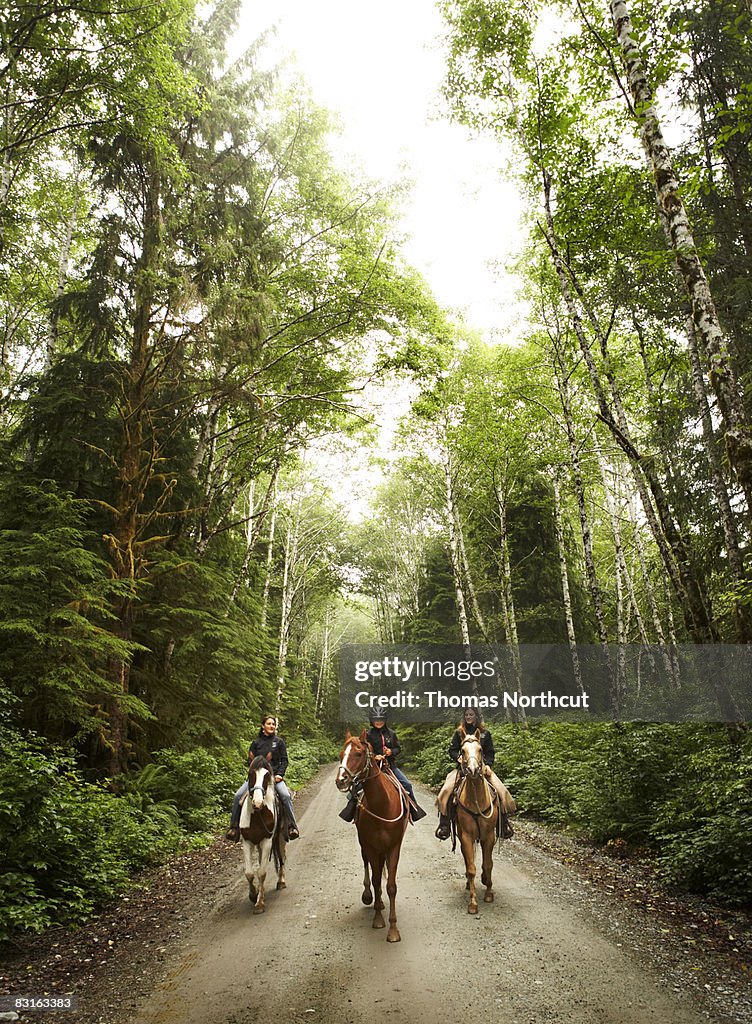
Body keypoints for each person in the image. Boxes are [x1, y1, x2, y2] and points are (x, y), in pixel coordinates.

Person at [435, 707, 515, 840]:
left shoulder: (485, 733)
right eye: (466, 714)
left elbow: (490, 752)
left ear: (476, 716)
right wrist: (457, 757)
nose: (468, 717)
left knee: (501, 791)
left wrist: (488, 764)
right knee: (446, 791)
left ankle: (503, 825)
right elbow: (452, 750)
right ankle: (444, 825)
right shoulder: (459, 732)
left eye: (471, 714)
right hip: (462, 769)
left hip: (482, 769)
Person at [339, 707, 426, 823]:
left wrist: (391, 752)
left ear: (385, 720)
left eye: (381, 719)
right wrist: (374, 756)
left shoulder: (391, 734)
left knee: (407, 785)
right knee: (357, 787)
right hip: (372, 768)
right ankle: (350, 810)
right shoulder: (368, 735)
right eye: (376, 719)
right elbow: (365, 751)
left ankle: (414, 811)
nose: (378, 722)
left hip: (390, 767)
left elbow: (398, 748)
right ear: (372, 721)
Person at [225, 715, 300, 841]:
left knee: (285, 796)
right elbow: (250, 761)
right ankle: (234, 828)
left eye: (273, 724)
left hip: (274, 778)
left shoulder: (279, 742)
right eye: (269, 724)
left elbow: (284, 761)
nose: (272, 726)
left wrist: (279, 775)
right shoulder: (255, 743)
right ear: (263, 726)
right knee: (238, 796)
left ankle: (291, 826)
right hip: (256, 779)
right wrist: (254, 774)